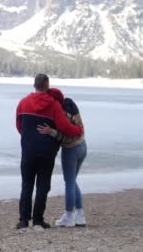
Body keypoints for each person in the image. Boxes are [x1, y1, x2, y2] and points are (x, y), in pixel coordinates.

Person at [15, 74, 84, 230]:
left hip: (28, 151)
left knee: (26, 185)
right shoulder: (54, 106)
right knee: (43, 186)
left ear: (34, 85)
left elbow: (19, 126)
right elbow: (65, 127)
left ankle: (24, 221)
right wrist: (78, 129)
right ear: (47, 86)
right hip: (47, 152)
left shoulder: (23, 103)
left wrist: (29, 138)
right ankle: (38, 221)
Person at [37, 88, 87, 228]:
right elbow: (78, 128)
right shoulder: (71, 104)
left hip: (71, 149)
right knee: (72, 181)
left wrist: (50, 131)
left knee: (69, 182)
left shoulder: (60, 113)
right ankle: (80, 215)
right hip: (83, 146)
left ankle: (69, 216)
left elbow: (66, 136)